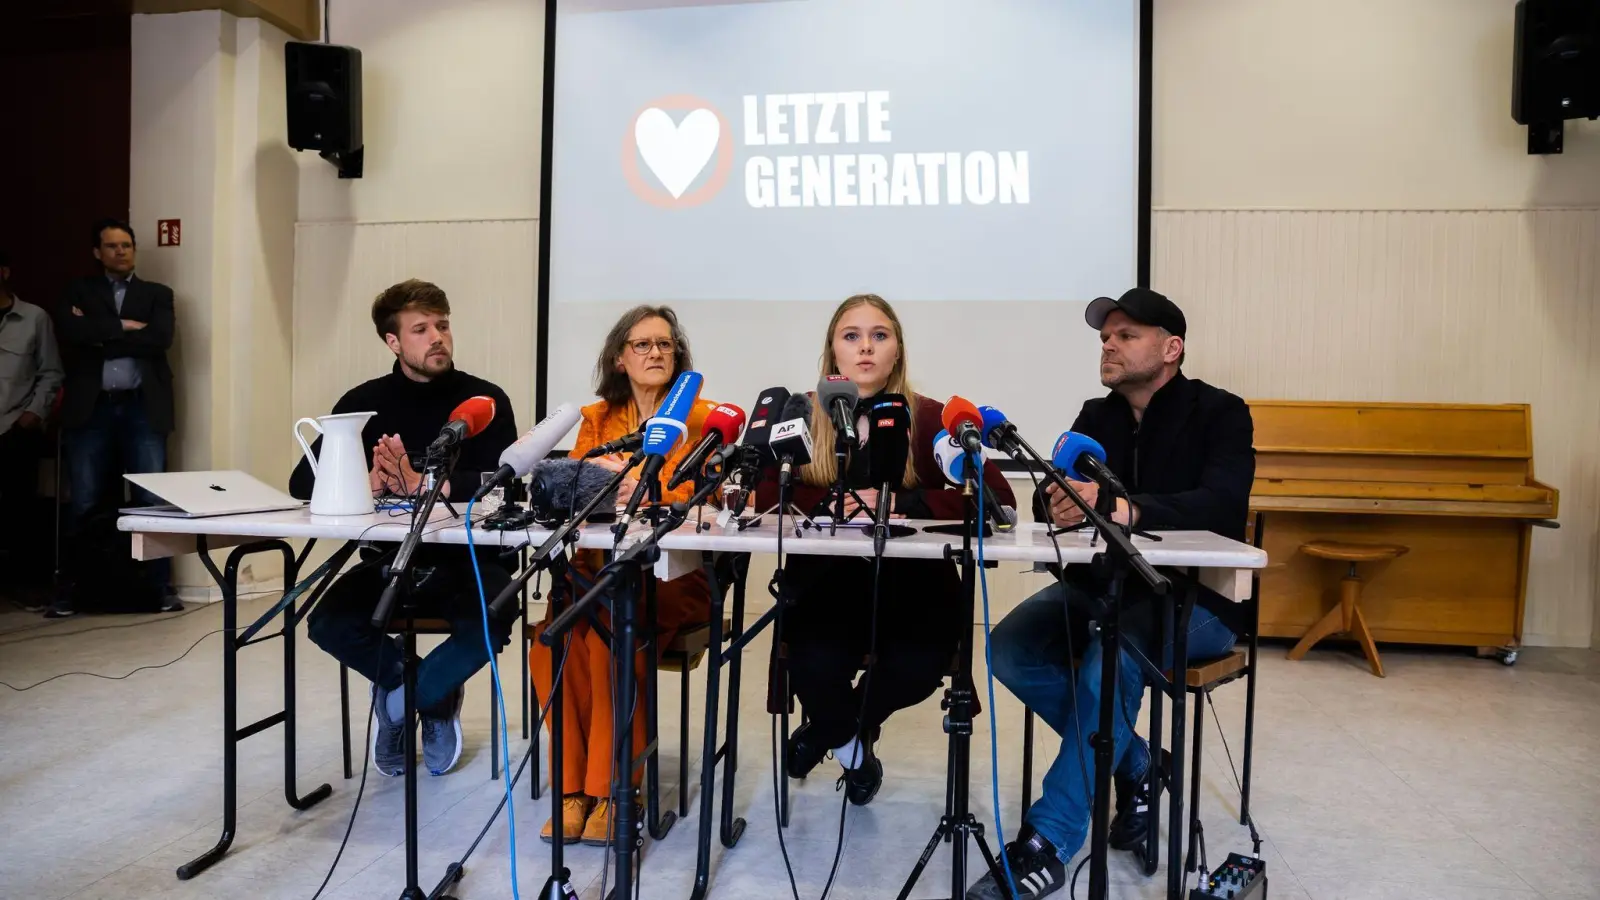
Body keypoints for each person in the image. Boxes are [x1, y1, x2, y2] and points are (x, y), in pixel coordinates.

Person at [968, 288, 1255, 900]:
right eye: (1105, 336)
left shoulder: (1222, 412)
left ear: (1171, 348)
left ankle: (1047, 841)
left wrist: (1127, 508)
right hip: (1104, 590)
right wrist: (1060, 504)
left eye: (1126, 335)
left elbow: (1223, 505)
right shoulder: (1093, 417)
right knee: (1010, 648)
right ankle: (1138, 764)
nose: (1109, 344)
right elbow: (1063, 493)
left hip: (1197, 603)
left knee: (1112, 659)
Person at [764, 293, 1015, 807]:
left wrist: (903, 501)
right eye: (851, 336)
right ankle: (857, 755)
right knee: (812, 662)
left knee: (919, 665)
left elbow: (999, 501)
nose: (865, 349)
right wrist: (838, 503)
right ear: (832, 351)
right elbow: (767, 493)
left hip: (916, 593)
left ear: (897, 351)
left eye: (879, 336)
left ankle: (829, 732)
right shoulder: (800, 415)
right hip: (826, 588)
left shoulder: (930, 418)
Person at [293, 279, 518, 778]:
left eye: (442, 325)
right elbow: (300, 480)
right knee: (326, 621)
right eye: (421, 329)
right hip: (391, 561)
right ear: (393, 342)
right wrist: (361, 480)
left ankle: (401, 705)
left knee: (493, 619)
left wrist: (425, 485)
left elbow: (502, 484)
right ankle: (427, 692)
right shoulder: (364, 402)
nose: (437, 336)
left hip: (470, 561)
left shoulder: (484, 401)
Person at [529, 304, 717, 847]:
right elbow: (578, 490)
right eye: (642, 344)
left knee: (611, 643)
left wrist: (642, 489)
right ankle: (572, 790)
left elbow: (710, 496)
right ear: (619, 358)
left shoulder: (703, 418)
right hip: (593, 573)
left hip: (671, 578)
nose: (656, 353)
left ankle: (615, 793)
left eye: (665, 344)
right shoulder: (594, 420)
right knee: (551, 643)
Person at [53, 219, 180, 617]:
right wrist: (124, 327)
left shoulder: (158, 294)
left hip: (142, 407)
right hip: (92, 409)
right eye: (111, 246)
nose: (120, 251)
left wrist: (100, 334)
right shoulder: (78, 290)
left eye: (126, 245)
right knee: (85, 501)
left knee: (151, 503)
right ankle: (71, 593)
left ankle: (160, 589)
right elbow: (71, 333)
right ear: (97, 252)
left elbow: (160, 339)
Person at [0, 248, 64, 602]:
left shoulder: (33, 318)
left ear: (5, 272)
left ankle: (22, 586)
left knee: (19, 509)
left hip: (15, 427)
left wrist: (33, 415)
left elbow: (51, 371)